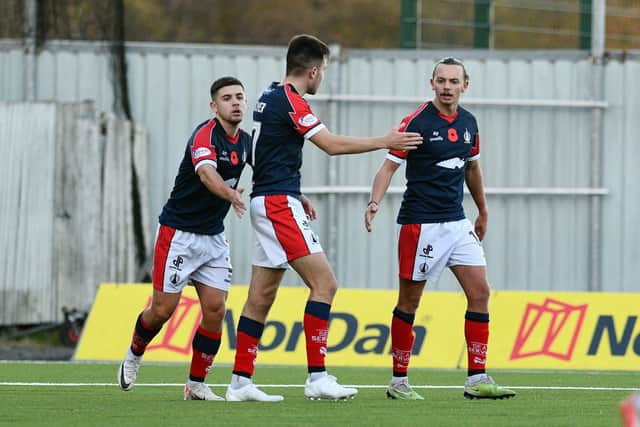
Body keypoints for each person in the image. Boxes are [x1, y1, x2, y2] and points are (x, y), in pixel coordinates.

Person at [224, 34, 423, 402]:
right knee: (325, 284)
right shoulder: (291, 101)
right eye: (324, 71)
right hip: (276, 204)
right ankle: (317, 377)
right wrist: (385, 140)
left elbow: (263, 150)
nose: (323, 78)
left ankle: (240, 382)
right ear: (313, 70)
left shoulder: (270, 94)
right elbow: (330, 145)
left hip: (271, 197)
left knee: (261, 295)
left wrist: (292, 190)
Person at [365, 57, 516, 401]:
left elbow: (472, 169)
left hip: (456, 222)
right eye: (442, 81)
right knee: (410, 302)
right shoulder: (416, 122)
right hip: (421, 225)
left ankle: (477, 379)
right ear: (431, 83)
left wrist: (483, 209)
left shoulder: (469, 123)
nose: (447, 87)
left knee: (480, 292)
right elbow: (388, 167)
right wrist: (374, 202)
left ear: (466, 85)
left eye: (454, 81)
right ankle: (399, 381)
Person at [117, 76, 251, 401]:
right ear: (214, 106)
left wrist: (296, 197)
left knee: (216, 310)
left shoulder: (247, 141)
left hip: (213, 239)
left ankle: (196, 384)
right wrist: (231, 195)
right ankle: (135, 352)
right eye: (226, 98)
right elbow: (207, 174)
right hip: (179, 234)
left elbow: (272, 173)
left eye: (239, 97)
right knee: (163, 310)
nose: (235, 102)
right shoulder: (204, 136)